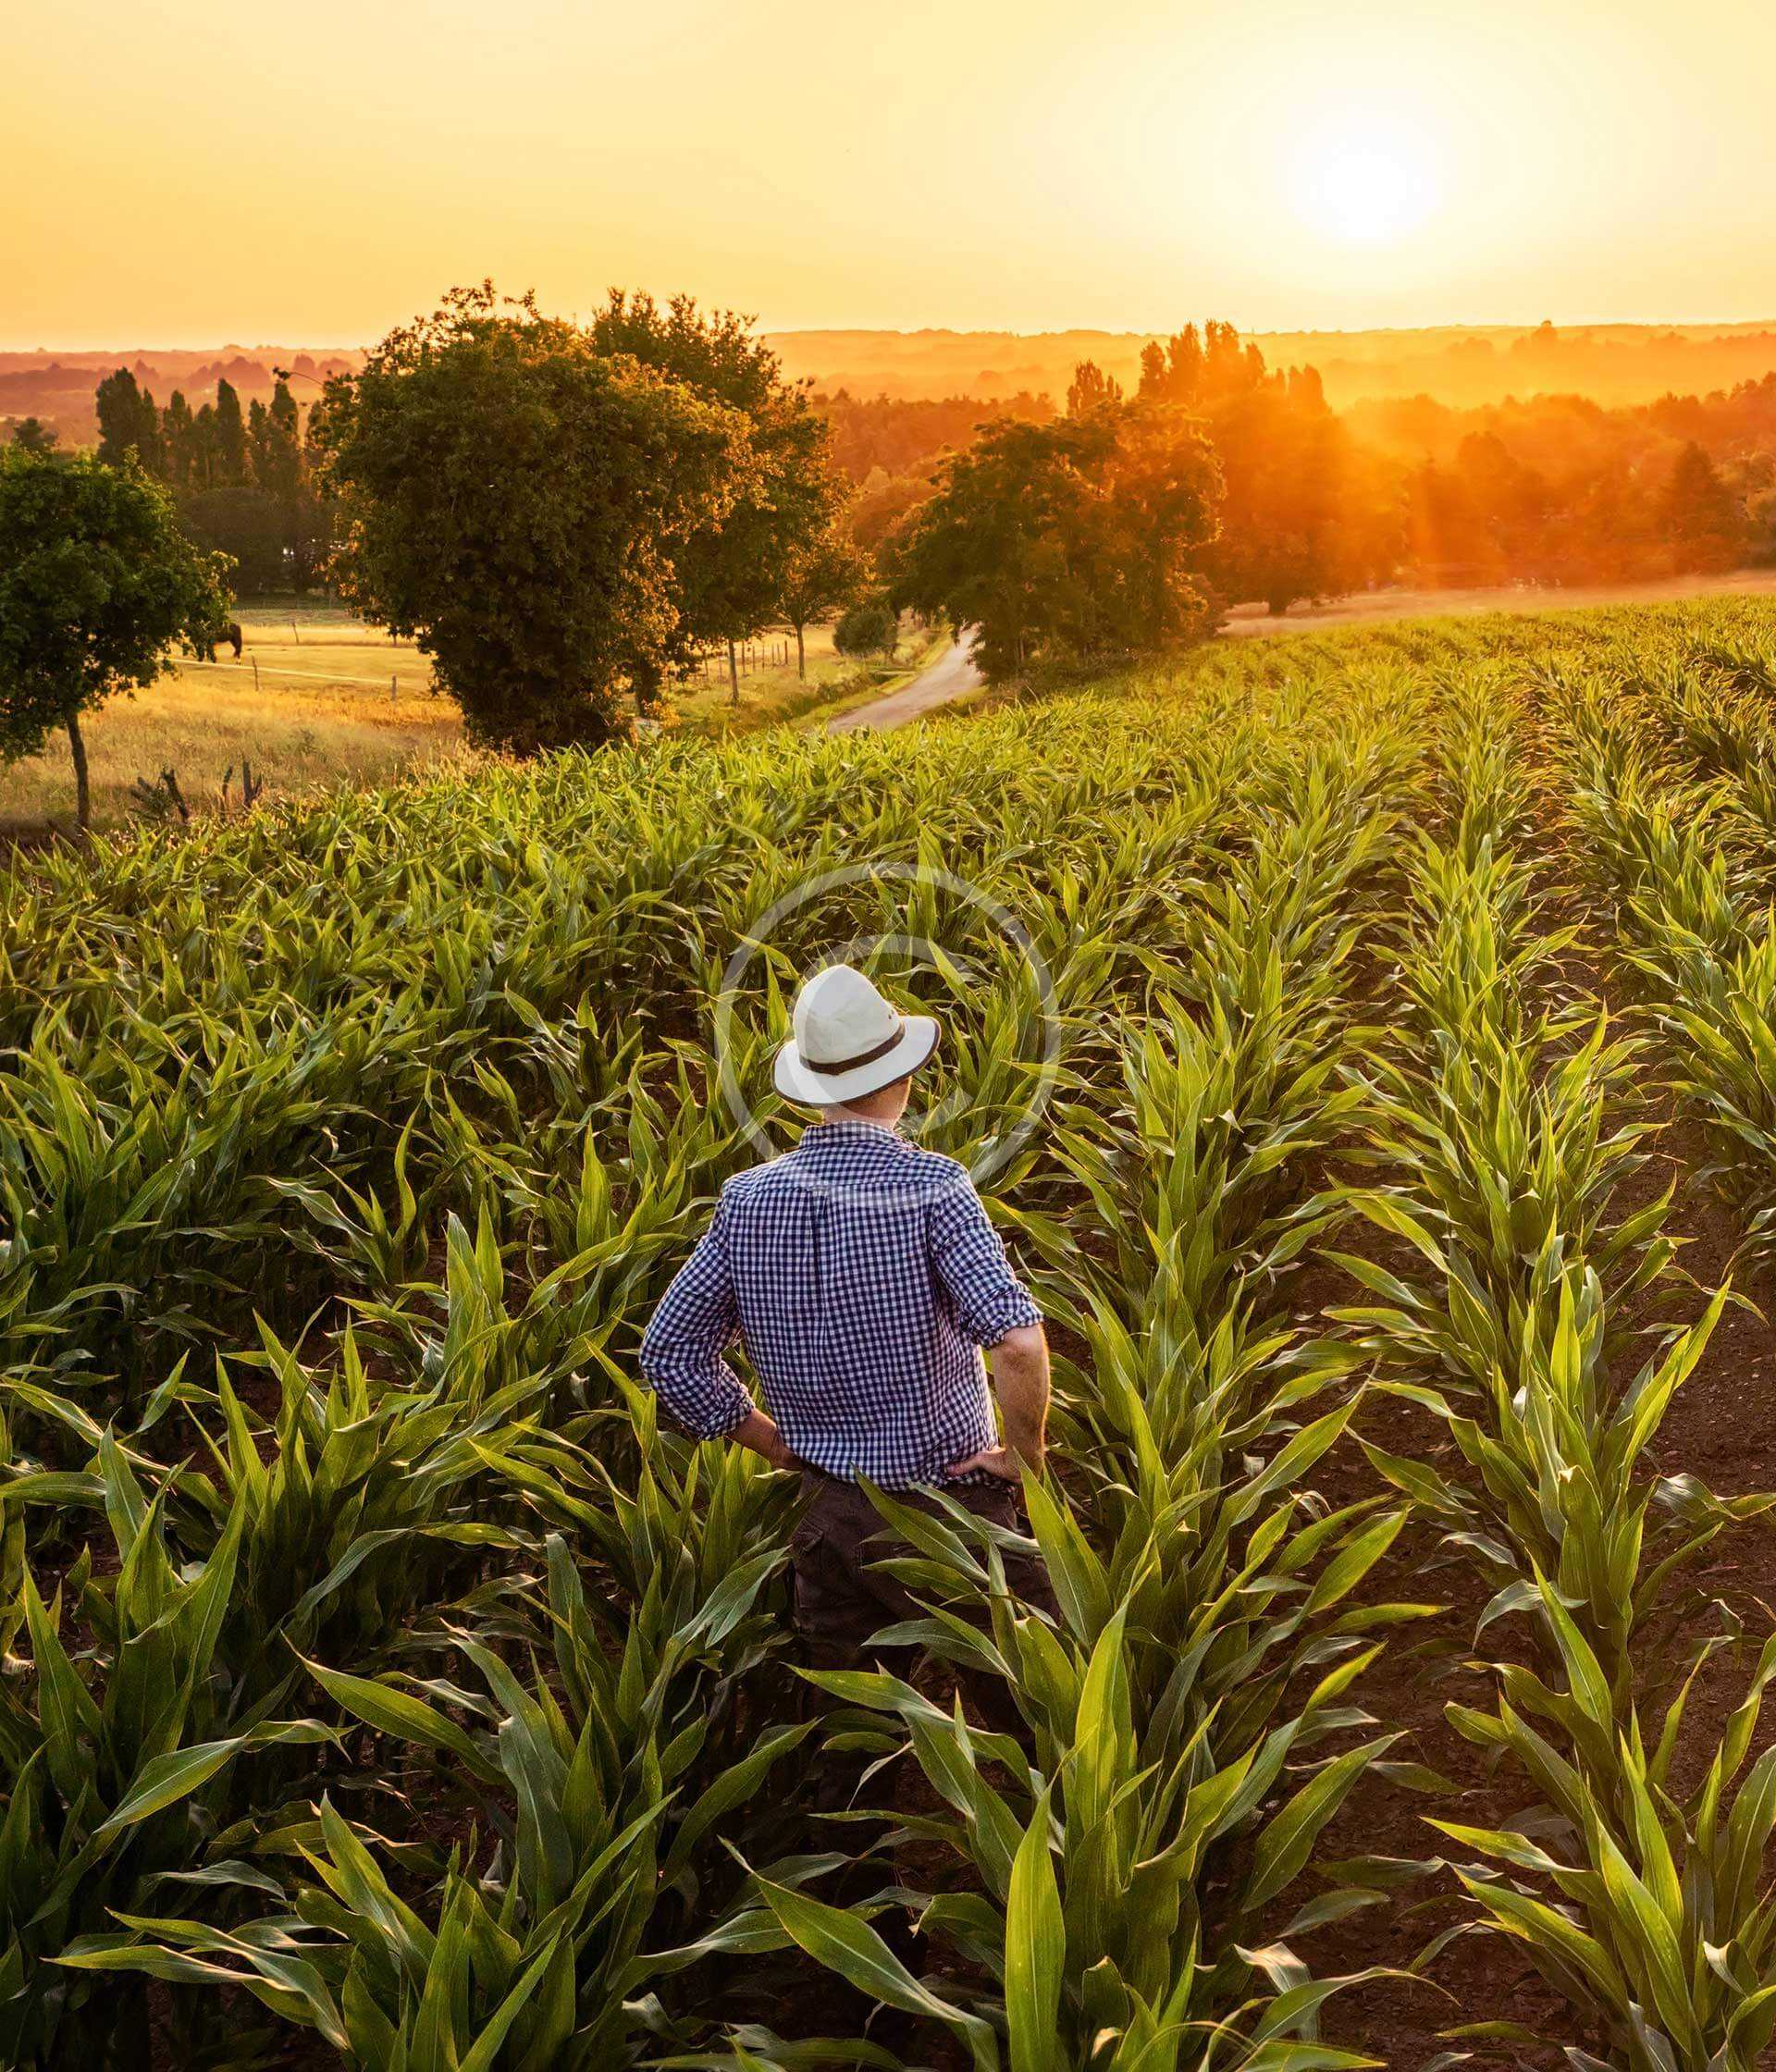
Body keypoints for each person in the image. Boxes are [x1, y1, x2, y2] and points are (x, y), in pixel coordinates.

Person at [639, 961, 1056, 1720]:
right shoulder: (935, 1188)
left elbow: (668, 1350)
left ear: (815, 1087)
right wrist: (1025, 1461)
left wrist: (773, 1445)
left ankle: (852, 1836)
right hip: (953, 1511)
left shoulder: (747, 1199)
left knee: (853, 1728)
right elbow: (1019, 1345)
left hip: (831, 1518)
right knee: (1042, 1711)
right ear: (904, 1080)